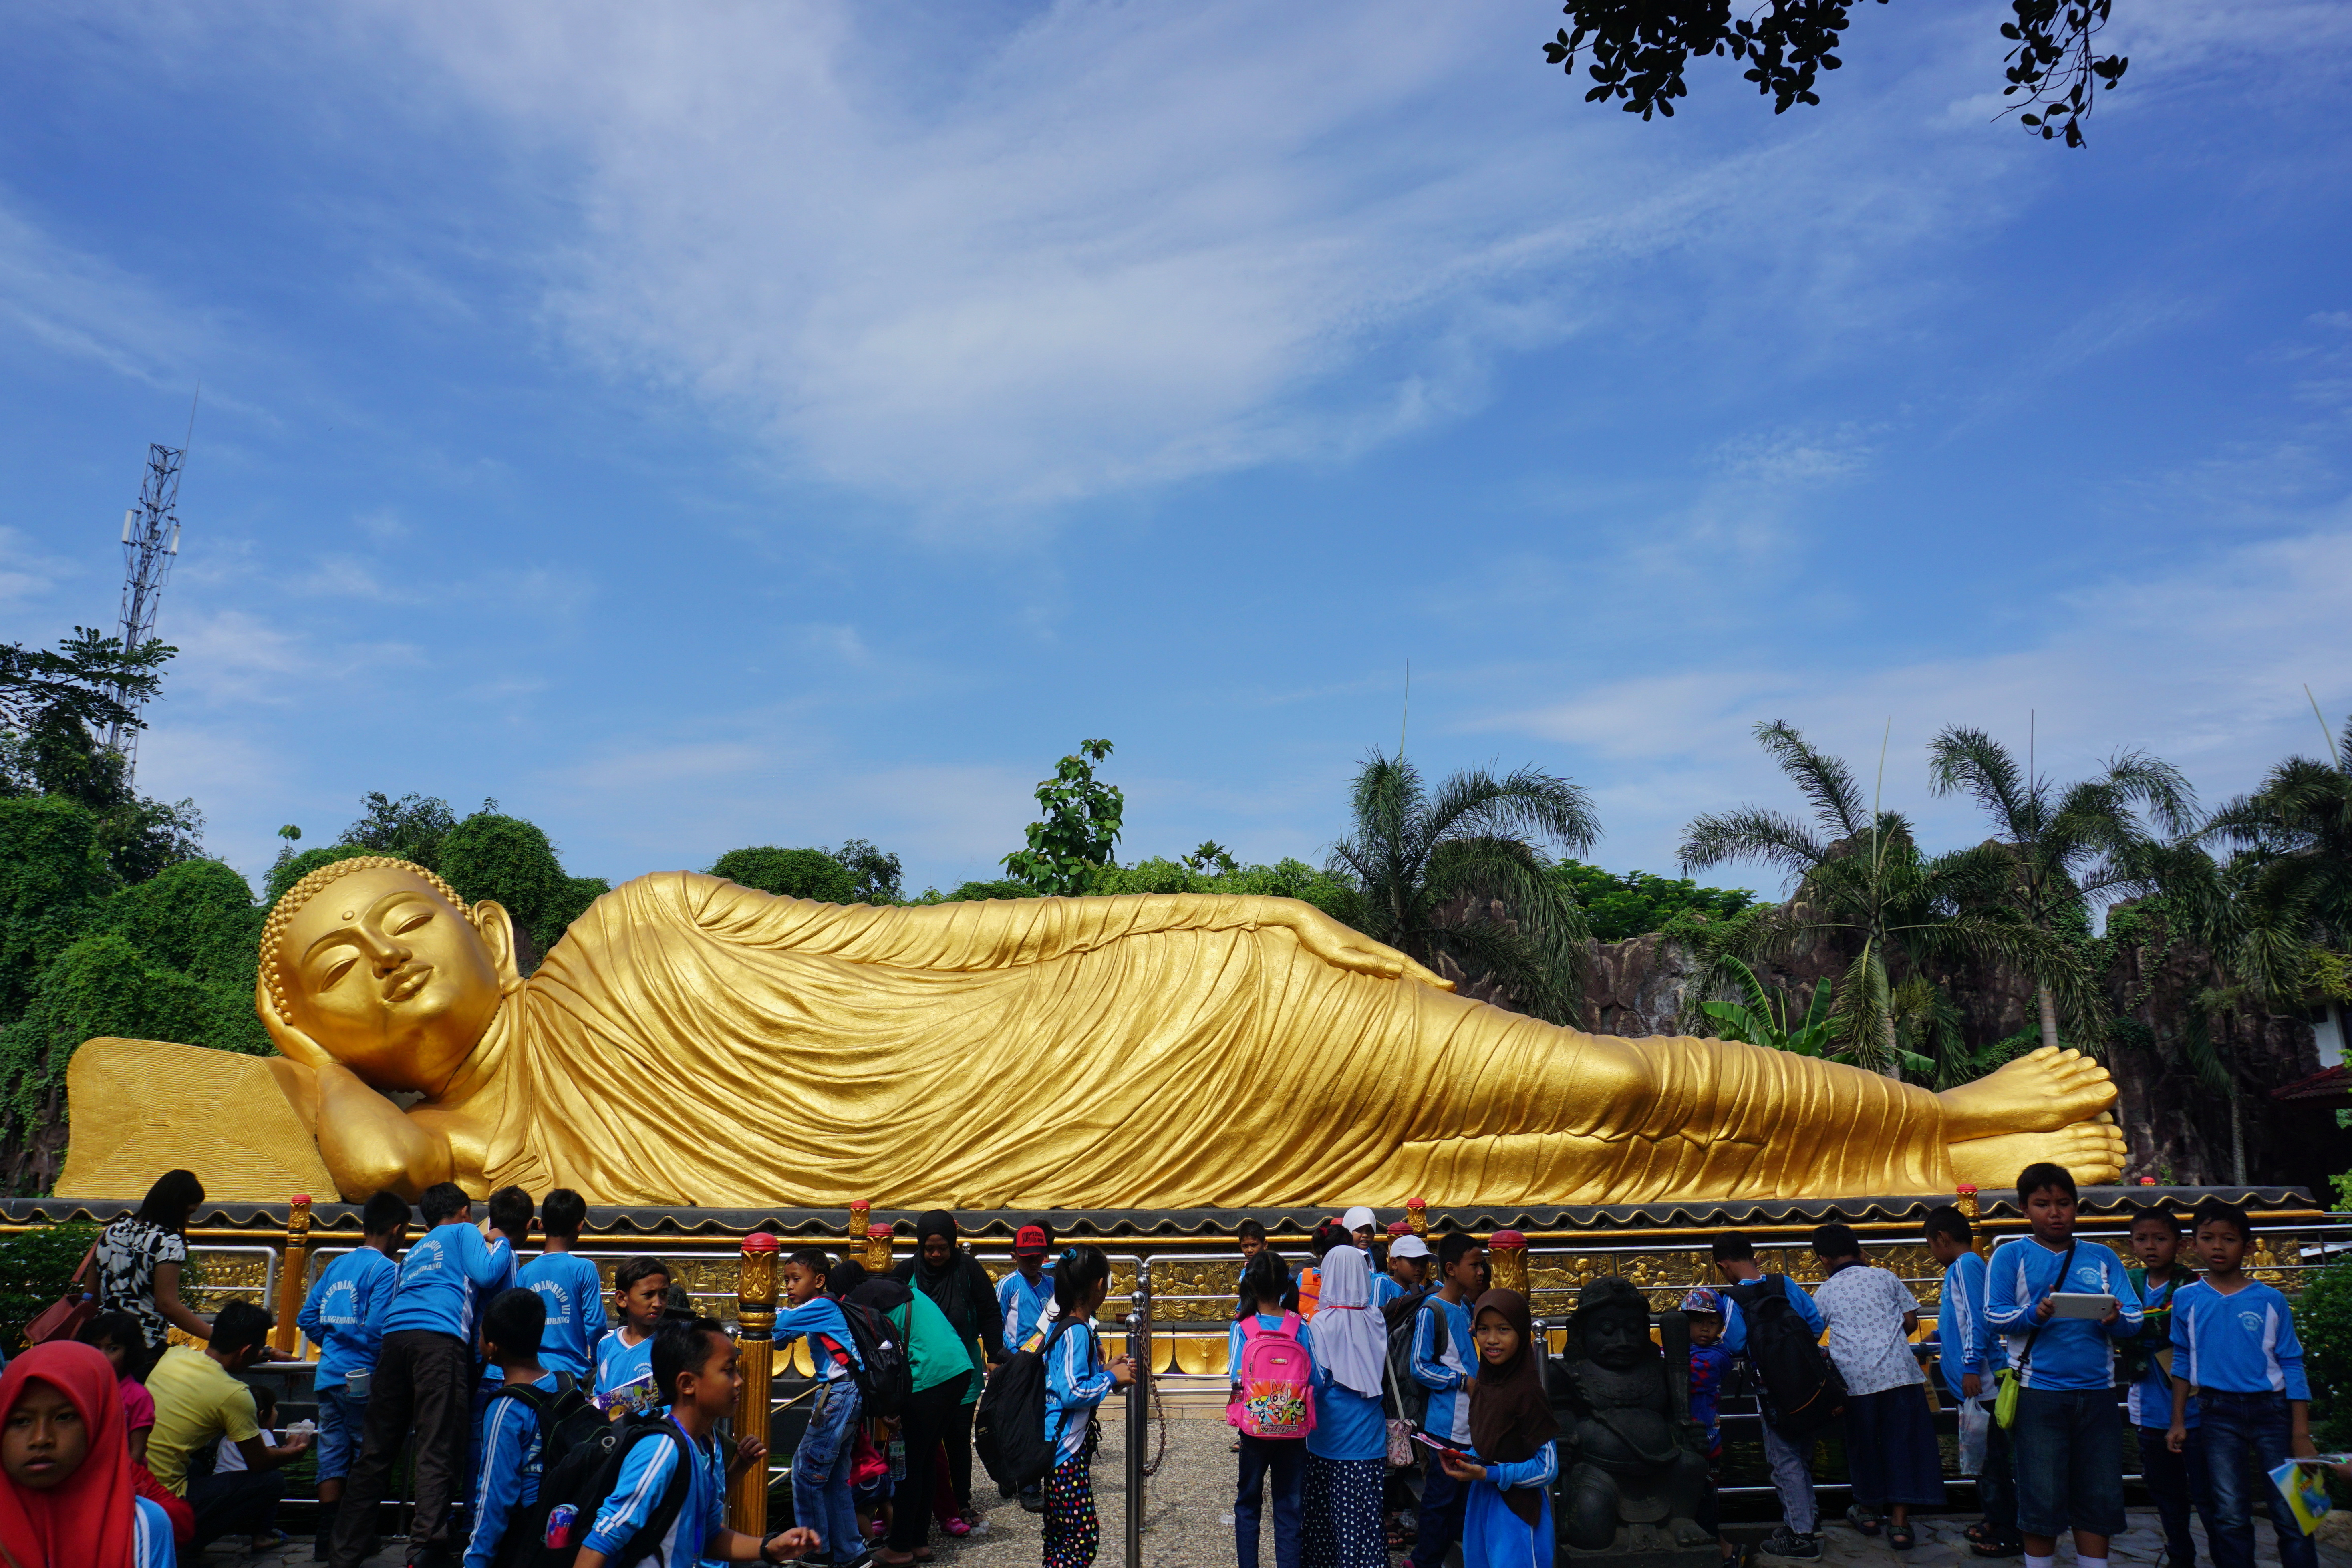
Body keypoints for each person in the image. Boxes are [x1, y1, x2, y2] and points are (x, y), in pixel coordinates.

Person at [223, 859, 2128, 1210]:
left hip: (1159, 1020)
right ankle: (1921, 1147)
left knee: (1603, 1075)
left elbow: (950, 938)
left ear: (486, 923)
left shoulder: (639, 928)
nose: (388, 976)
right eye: (339, 984)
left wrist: (1224, 913)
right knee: (1530, 1158)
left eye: (404, 932)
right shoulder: (482, 1156)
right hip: (1095, 1166)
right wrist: (296, 1065)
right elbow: (381, 1183)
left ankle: (1937, 1119)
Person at [328, 1180, 520, 1568]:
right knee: (437, 1444)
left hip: (395, 1341)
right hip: (438, 1340)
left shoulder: (416, 1248)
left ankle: (344, 1551)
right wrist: (501, 1241)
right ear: (465, 1212)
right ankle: (426, 1550)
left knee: (376, 1448)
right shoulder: (465, 1231)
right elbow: (486, 1274)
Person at [1984, 1162, 2142, 1568]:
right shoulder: (2010, 1255)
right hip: (2039, 1395)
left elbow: (2136, 1319)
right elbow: (1994, 1315)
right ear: (2024, 1208)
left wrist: (2115, 1319)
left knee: (2100, 1493)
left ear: (2076, 1207)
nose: (2054, 1213)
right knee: (2041, 1494)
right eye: (2042, 1204)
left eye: (2063, 1203)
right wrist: (2035, 1314)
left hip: (2098, 1394)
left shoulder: (2102, 1257)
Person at [572, 1316, 819, 1565]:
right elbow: (600, 1542)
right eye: (728, 1370)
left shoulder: (701, 1447)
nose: (739, 1381)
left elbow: (707, 1537)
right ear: (687, 1384)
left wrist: (770, 1547)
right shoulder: (661, 1451)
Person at [2167, 1199, 2314, 1568]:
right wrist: (2178, 1419)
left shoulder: (2270, 1299)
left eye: (2229, 1239)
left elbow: (2292, 1363)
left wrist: (2301, 1433)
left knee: (2294, 1511)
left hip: (2274, 1412)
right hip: (2218, 1414)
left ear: (2248, 1247)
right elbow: (2182, 1360)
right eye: (2208, 1238)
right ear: (2193, 1243)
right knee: (2230, 1514)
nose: (2218, 1246)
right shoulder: (2186, 1298)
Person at [1808, 1224, 1943, 1549]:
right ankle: (1899, 1524)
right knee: (1904, 1444)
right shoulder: (1885, 1276)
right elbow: (1911, 1321)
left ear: (1824, 1259)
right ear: (1859, 1250)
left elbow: (1811, 1331)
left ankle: (1868, 1512)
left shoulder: (1825, 1291)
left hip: (1856, 1381)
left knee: (1864, 1445)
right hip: (1901, 1374)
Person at [146, 1299, 313, 1553]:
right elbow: (260, 1462)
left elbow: (238, 1351)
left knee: (199, 1466)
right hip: (165, 1499)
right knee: (272, 1482)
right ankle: (183, 1544)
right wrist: (294, 1450)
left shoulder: (174, 1355)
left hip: (136, 1485)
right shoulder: (234, 1395)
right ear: (246, 1351)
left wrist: (266, 1352)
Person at [298, 1187, 408, 1560]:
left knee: (331, 1452)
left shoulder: (338, 1265)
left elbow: (307, 1317)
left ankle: (326, 1538)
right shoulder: (387, 1270)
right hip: (364, 1380)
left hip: (328, 1376)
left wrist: (332, 1344)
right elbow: (380, 1328)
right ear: (396, 1230)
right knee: (369, 1456)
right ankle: (359, 1536)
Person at [0, 1339, 179, 1568]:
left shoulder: (141, 1526)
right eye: (20, 1421)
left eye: (64, 1417)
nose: (41, 1439)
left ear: (100, 1424)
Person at [851, 1265, 979, 1566]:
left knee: (909, 1467)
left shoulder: (860, 1303)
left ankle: (900, 1547)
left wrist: (883, 1408)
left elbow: (875, 1360)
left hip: (931, 1378)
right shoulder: (905, 1291)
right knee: (924, 1461)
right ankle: (919, 1542)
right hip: (958, 1369)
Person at [1712, 1231, 1828, 1561]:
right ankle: (1810, 1520)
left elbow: (1734, 1344)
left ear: (1724, 1266)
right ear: (1754, 1255)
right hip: (1809, 1384)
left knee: (1783, 1459)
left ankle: (1801, 1536)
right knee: (1802, 1454)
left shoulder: (1736, 1297)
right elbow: (1816, 1323)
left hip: (1774, 1390)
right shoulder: (1785, 1283)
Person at [890, 1210, 1005, 1535]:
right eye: (930, 1248)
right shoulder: (908, 1271)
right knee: (924, 1445)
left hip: (960, 1372)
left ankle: (960, 1500)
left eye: (943, 1248)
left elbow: (988, 1312)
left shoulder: (967, 1269)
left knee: (956, 1439)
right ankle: (924, 1507)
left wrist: (994, 1354)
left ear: (953, 1244)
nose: (937, 1255)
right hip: (920, 1375)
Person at [1437, 1289, 1560, 1568]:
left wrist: (1491, 1472)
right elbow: (1492, 1443)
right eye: (1483, 1329)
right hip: (1483, 1501)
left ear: (1521, 1332)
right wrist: (1466, 1458)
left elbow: (1547, 1468)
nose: (1492, 1339)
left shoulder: (1528, 1391)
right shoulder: (1484, 1383)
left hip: (1517, 1511)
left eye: (1503, 1329)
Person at [1923, 1205, 2017, 1559]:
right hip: (1970, 1385)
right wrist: (1935, 1337)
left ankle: (2008, 1528)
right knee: (1980, 1457)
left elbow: (1977, 1320)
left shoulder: (1965, 1266)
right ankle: (1995, 1518)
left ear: (1942, 1238)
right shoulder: (1962, 1270)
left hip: (1980, 1384)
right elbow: (1957, 1320)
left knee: (1992, 1460)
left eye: (1931, 1245)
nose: (1932, 1254)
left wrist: (1969, 1367)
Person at [2128, 1208, 2215, 1568]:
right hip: (2148, 1405)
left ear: (2179, 1244)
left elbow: (2163, 1324)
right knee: (2166, 1491)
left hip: (2196, 1410)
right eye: (2142, 1239)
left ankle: (2228, 1553)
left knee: (2210, 1493)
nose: (2151, 1246)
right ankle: (2181, 1554)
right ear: (2131, 1243)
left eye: (2160, 1239)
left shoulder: (2193, 1286)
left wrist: (2128, 1322)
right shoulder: (2129, 1283)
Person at [1041, 1245, 1133, 1568]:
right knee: (1083, 1536)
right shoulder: (1076, 1331)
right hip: (1064, 1451)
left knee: (1058, 1533)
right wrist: (1108, 1379)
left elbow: (1074, 1379)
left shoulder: (1065, 1324)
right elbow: (1073, 1391)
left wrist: (1108, 1371)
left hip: (1058, 1447)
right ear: (1097, 1284)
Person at [777, 1248, 866, 1566]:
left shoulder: (820, 1306)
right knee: (831, 1477)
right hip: (847, 1393)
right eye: (785, 1279)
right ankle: (851, 1552)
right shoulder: (819, 1309)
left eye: (795, 1279)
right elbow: (782, 1334)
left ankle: (817, 1549)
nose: (788, 1286)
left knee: (806, 1471)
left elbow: (777, 1322)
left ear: (818, 1280)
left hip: (839, 1394)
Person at [76, 1311, 193, 1546]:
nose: (102, 1356)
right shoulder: (78, 1388)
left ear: (129, 1352)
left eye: (113, 1348)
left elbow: (136, 1454)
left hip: (121, 1481)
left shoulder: (137, 1396)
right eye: (96, 1347)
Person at [1303, 1244, 1387, 1568]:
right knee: (1367, 1523)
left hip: (1329, 1439)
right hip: (1370, 1440)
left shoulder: (1321, 1323)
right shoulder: (1377, 1318)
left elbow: (1319, 1381)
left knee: (1328, 1524)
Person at [465, 1288, 560, 1568]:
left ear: (492, 1348)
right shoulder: (564, 1384)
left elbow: (494, 1492)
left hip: (525, 1532)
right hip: (560, 1525)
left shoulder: (505, 1407)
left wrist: (476, 1560)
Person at [1231, 1251, 1315, 1568]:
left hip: (1254, 1430)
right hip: (1293, 1430)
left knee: (1249, 1501)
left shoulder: (1242, 1327)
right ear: (1285, 1284)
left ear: (1250, 1285)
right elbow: (1315, 1377)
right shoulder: (1300, 1325)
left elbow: (1235, 1376)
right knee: (1289, 1505)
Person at [1408, 1231, 1485, 1568]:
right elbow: (1419, 1365)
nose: (1482, 1271)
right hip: (1444, 1424)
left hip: (1472, 1421)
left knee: (1461, 1503)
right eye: (1475, 1265)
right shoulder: (1432, 1310)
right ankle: (1422, 1561)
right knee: (1439, 1500)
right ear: (1451, 1268)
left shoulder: (1467, 1307)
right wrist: (1460, 1380)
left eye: (1482, 1264)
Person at [95, 1169, 212, 1353]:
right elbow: (167, 1305)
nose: (188, 1220)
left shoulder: (111, 1232)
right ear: (175, 1206)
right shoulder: (168, 1241)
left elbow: (91, 1294)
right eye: (188, 1212)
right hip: (143, 1344)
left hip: (102, 1343)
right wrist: (217, 1336)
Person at [519, 1187, 608, 1381]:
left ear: (541, 1224)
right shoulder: (584, 1269)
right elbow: (595, 1325)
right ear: (580, 1226)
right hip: (572, 1374)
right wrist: (598, 1361)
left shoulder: (524, 1273)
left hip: (533, 1375)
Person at [595, 1257, 673, 1420]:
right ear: (622, 1299)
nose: (658, 1303)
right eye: (648, 1295)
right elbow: (601, 1394)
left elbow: (682, 1405)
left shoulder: (670, 1346)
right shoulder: (607, 1344)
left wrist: (638, 1418)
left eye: (664, 1294)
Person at [1677, 1291, 1731, 1463]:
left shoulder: (1713, 1358)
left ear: (1721, 1326)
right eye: (1698, 1321)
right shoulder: (1685, 1347)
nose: (1705, 1328)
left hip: (1703, 1436)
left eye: (1712, 1323)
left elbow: (1685, 1377)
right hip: (1682, 1432)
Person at [999, 1225, 1057, 1353]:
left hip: (1047, 1353)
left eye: (1038, 1257)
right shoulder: (1008, 1285)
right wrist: (1014, 1352)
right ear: (1014, 1257)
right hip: (1018, 1353)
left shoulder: (1052, 1284)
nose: (1034, 1263)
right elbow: (996, 1324)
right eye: (1028, 1258)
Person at [1375, 1236, 1430, 1311]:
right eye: (1413, 1263)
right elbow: (1374, 1318)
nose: (1419, 1269)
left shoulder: (1422, 1292)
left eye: (1423, 1264)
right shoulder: (1383, 1284)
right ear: (1394, 1263)